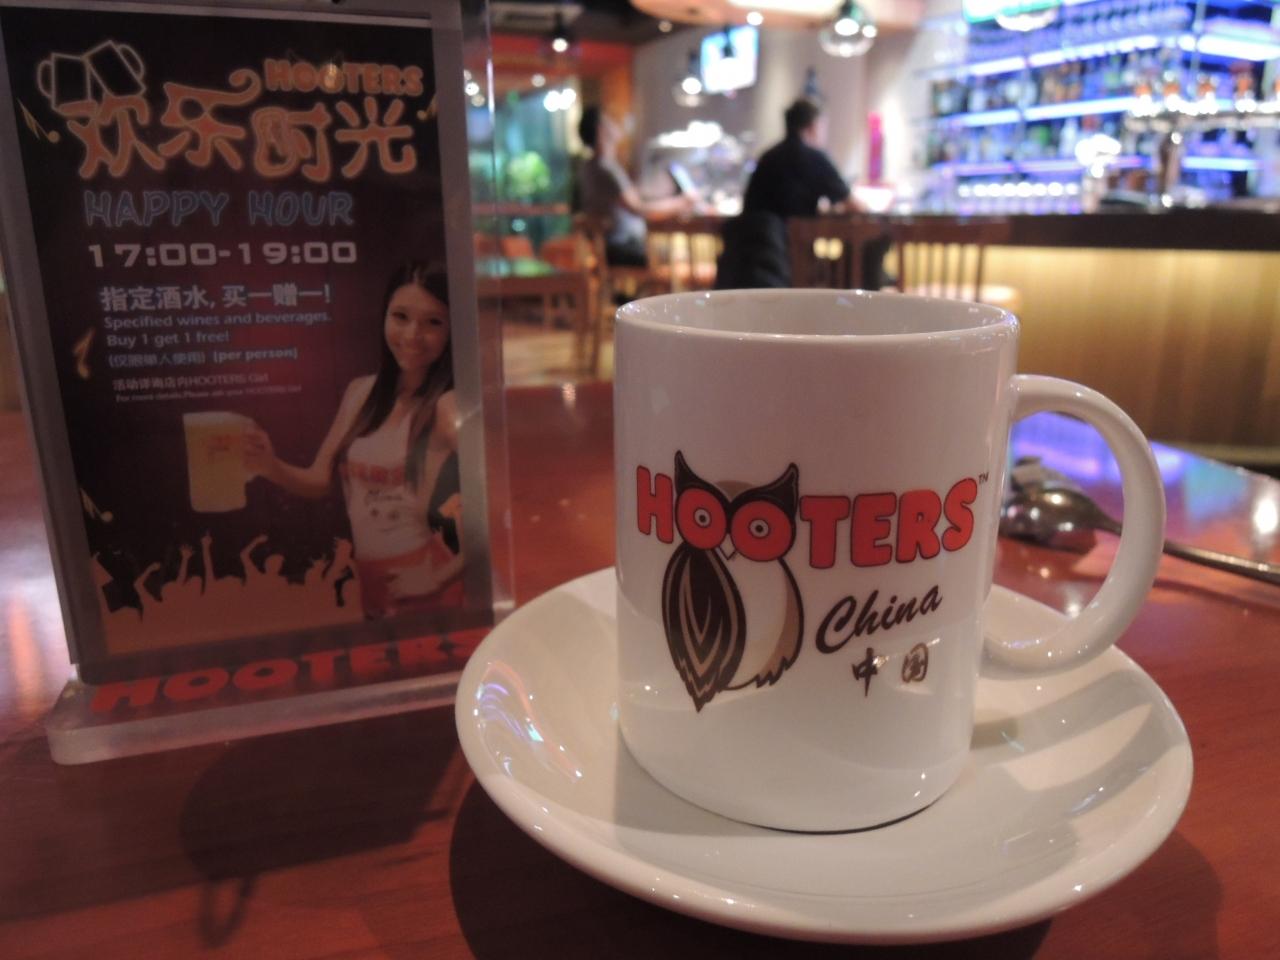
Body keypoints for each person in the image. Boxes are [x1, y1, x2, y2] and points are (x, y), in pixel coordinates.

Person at [245, 262, 463, 619]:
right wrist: (269, 466)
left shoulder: (447, 405)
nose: (412, 335)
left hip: (419, 572)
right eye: (401, 316)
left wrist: (437, 579)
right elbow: (319, 480)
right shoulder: (361, 392)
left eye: (433, 322)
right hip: (369, 575)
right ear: (384, 316)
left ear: (452, 330)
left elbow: (495, 502)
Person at [577, 106, 693, 267]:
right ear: (601, 129)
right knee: (680, 255)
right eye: (609, 121)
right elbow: (639, 208)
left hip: (614, 247)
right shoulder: (606, 169)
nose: (615, 125)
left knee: (675, 253)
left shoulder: (593, 166)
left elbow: (632, 198)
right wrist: (681, 202)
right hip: (623, 247)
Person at [743, 98, 853, 220]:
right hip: (791, 231)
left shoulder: (768, 157)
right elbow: (851, 203)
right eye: (823, 127)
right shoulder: (815, 158)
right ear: (813, 127)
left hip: (753, 230)